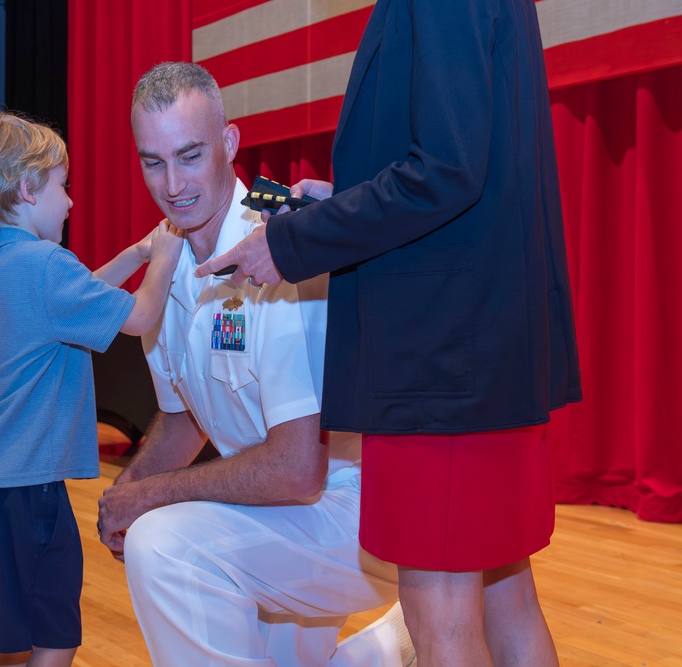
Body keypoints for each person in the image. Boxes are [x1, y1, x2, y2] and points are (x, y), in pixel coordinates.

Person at [196, 1, 582, 665]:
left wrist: (290, 243)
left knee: (442, 621)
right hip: (480, 348)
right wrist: (344, 201)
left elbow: (446, 170)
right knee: (505, 599)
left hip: (441, 356)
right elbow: (465, 160)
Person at [96, 62, 415, 667]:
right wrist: (131, 487)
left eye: (190, 156)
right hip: (273, 514)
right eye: (152, 162)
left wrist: (154, 500)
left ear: (231, 143)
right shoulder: (165, 269)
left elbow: (299, 470)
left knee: (164, 545)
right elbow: (184, 419)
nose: (172, 184)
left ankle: (413, 626)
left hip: (356, 517)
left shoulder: (283, 243)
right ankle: (396, 646)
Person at [0, 111, 183, 667]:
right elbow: (141, 318)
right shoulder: (47, 264)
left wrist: (138, 254)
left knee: (18, 635)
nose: (70, 201)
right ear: (27, 188)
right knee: (55, 632)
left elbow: (77, 296)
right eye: (62, 186)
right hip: (26, 484)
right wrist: (163, 261)